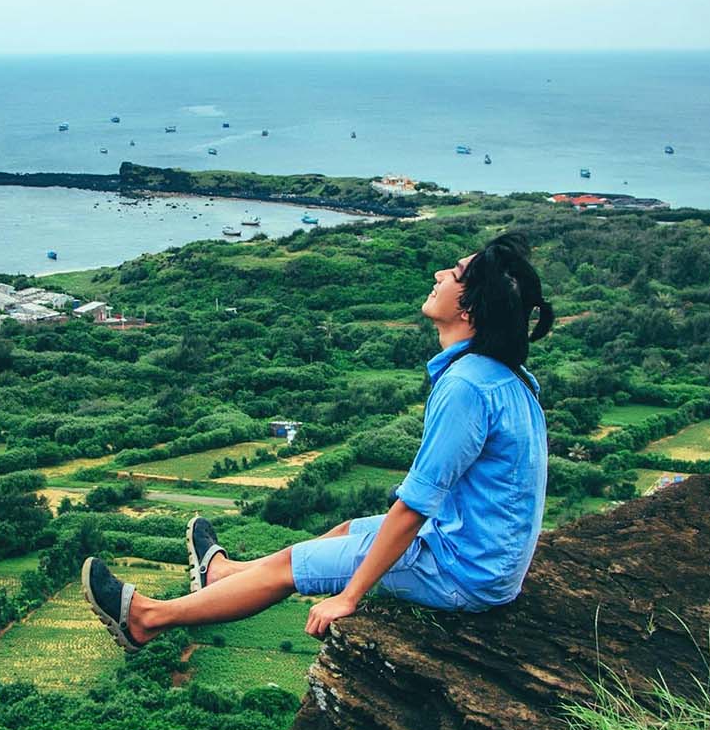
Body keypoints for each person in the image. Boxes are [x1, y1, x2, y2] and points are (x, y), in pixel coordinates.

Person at [82, 232, 554, 652]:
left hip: (462, 572)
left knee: (292, 566)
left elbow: (415, 506)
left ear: (470, 307)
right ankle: (223, 575)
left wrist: (348, 598)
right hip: (480, 556)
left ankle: (146, 620)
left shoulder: (466, 387)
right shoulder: (506, 376)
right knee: (348, 529)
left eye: (453, 274)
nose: (438, 274)